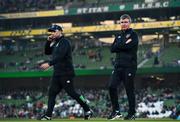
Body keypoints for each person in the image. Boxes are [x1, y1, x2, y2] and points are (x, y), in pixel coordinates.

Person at [38, 25, 92, 120]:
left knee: (72, 93)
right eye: (51, 32)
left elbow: (61, 56)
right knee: (52, 93)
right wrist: (48, 41)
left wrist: (49, 64)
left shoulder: (65, 42)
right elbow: (47, 52)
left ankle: (87, 109)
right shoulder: (54, 43)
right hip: (57, 73)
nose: (52, 33)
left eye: (54, 31)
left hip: (66, 73)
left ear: (60, 31)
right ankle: (48, 115)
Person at [107, 14, 139, 120]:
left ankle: (132, 113)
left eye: (126, 22)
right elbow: (112, 49)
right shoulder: (118, 35)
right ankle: (116, 111)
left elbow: (128, 46)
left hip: (129, 66)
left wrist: (119, 46)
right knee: (111, 86)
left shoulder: (133, 35)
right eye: (122, 22)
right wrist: (122, 45)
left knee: (129, 89)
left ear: (129, 23)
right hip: (118, 66)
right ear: (120, 23)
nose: (124, 24)